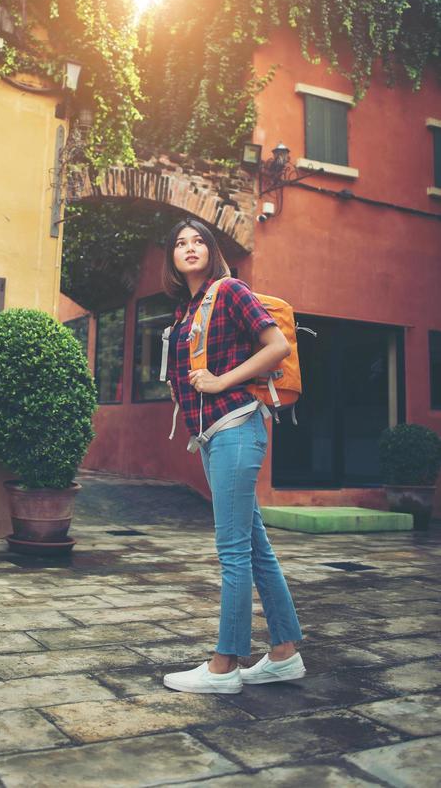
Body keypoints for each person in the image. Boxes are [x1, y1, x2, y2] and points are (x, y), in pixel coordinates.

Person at [161, 218, 304, 694]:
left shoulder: (231, 291)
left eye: (199, 239)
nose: (190, 247)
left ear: (213, 249)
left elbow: (278, 346)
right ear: (173, 259)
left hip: (236, 426)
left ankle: (225, 665)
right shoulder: (187, 311)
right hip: (212, 435)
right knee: (255, 546)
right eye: (180, 243)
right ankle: (283, 653)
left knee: (233, 552)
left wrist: (222, 382)